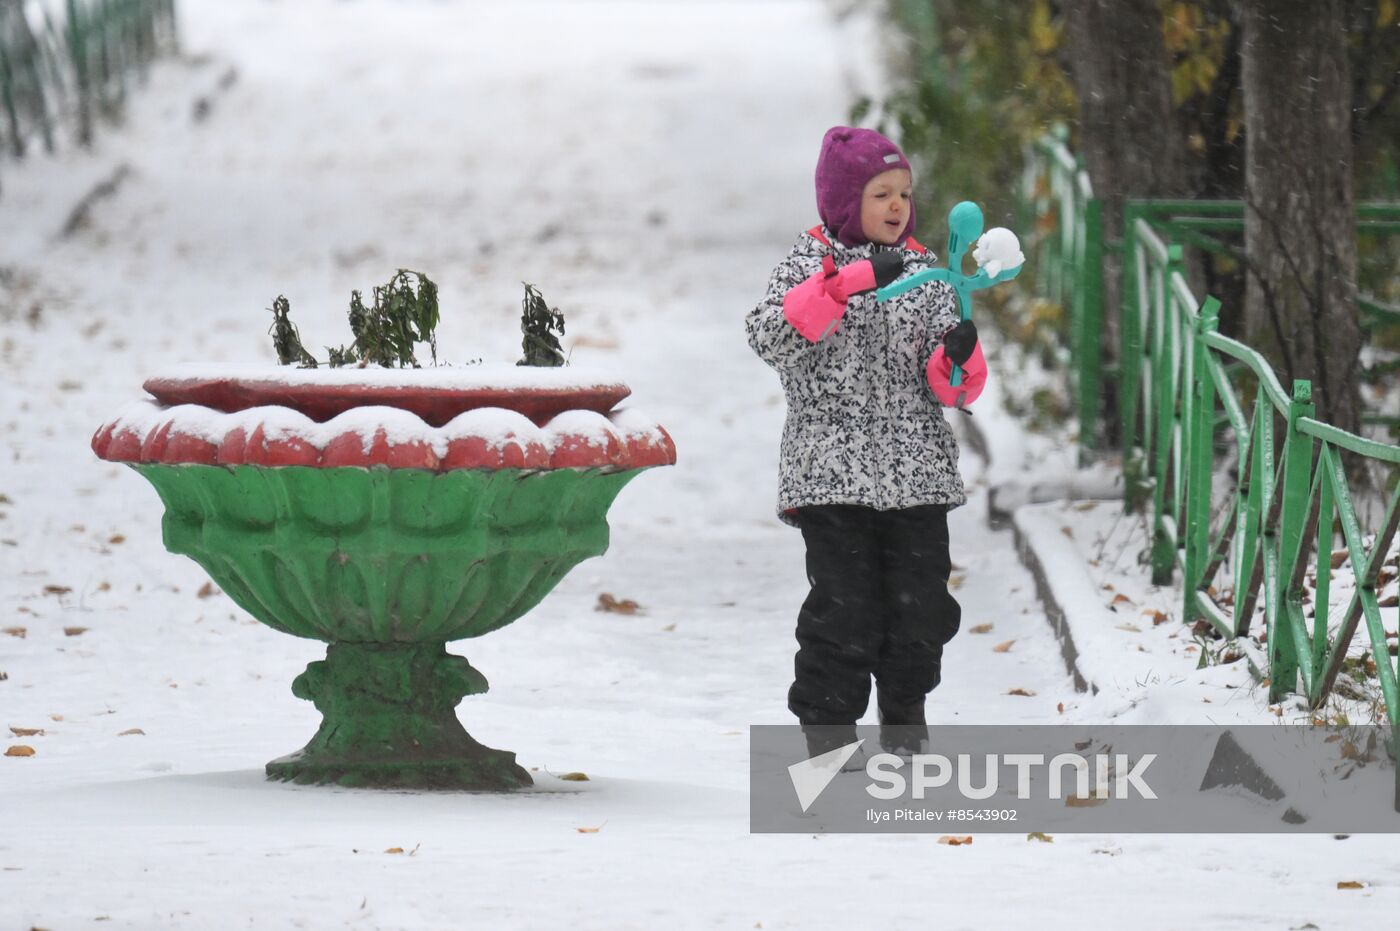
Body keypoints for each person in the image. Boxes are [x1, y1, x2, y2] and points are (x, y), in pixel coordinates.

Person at [744, 126, 986, 756]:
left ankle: (906, 710)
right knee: (843, 609)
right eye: (881, 194)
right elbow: (773, 338)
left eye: (904, 193)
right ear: (845, 201)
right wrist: (846, 284)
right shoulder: (810, 264)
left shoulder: (930, 271)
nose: (897, 207)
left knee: (920, 608)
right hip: (830, 475)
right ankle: (828, 731)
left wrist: (957, 358)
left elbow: (953, 391)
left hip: (917, 474)